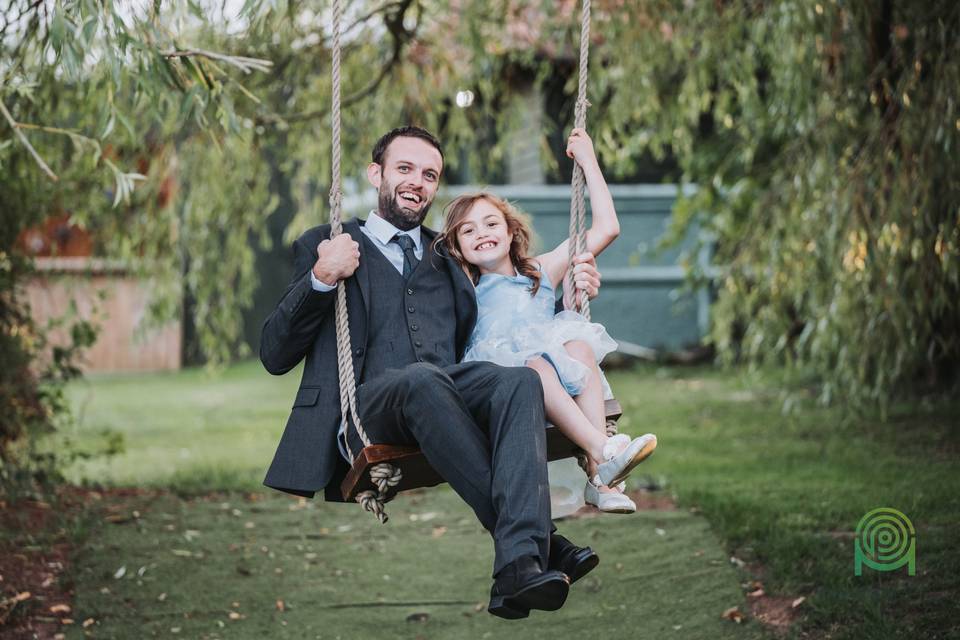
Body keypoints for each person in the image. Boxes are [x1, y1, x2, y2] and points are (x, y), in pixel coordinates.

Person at [260, 126, 606, 619]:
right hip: (370, 410)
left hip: (445, 398)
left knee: (520, 380)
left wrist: (571, 294)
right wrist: (321, 277)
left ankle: (516, 572)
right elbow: (274, 354)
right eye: (404, 169)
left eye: (429, 175)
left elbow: (505, 313)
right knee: (422, 378)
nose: (417, 182)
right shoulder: (328, 243)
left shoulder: (448, 255)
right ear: (376, 174)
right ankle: (541, 543)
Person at [437, 128, 658, 514]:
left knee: (579, 344)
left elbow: (607, 228)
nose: (482, 234)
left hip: (557, 374)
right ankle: (603, 451)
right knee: (535, 366)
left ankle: (599, 478)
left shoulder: (541, 271)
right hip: (503, 378)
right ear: (457, 247)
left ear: (510, 232)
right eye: (468, 231)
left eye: (491, 224)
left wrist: (588, 160)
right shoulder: (463, 289)